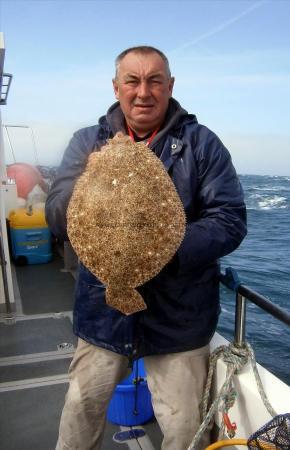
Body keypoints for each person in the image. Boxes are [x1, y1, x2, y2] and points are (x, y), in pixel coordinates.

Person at [45, 45, 247, 450]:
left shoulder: (201, 145)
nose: (143, 92)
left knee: (184, 427)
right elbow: (56, 215)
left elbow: (229, 220)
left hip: (178, 321)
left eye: (155, 81)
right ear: (116, 87)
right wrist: (89, 178)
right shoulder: (87, 142)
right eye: (133, 81)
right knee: (80, 414)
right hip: (101, 315)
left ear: (170, 87)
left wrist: (159, 252)